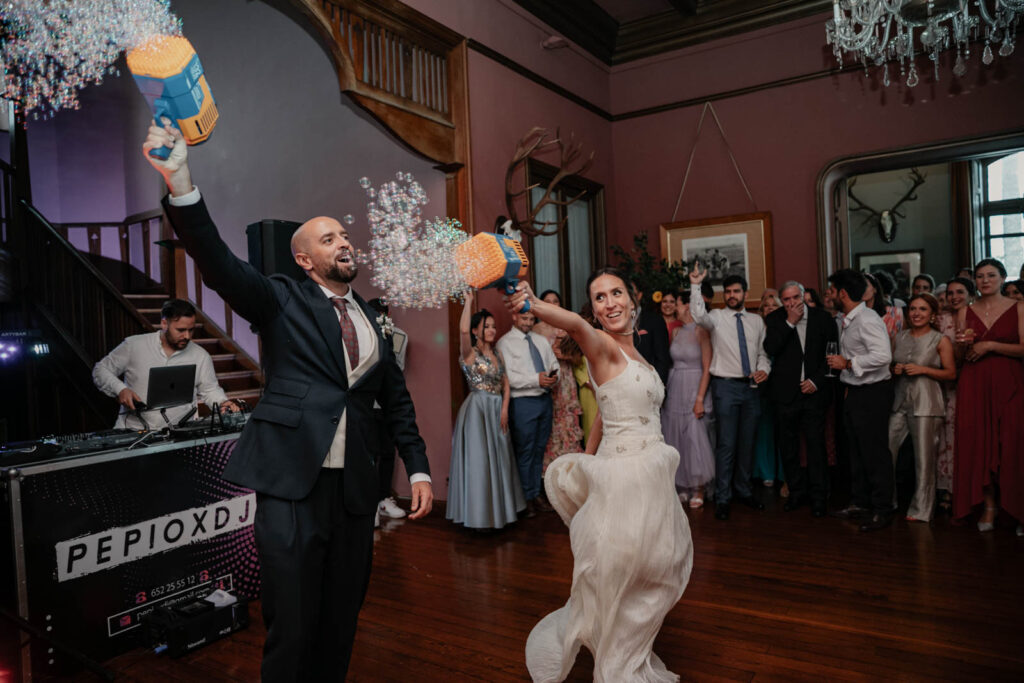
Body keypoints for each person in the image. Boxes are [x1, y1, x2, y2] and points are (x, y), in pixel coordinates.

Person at [143, 122, 433, 682]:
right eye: (327, 238)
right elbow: (219, 264)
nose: (343, 241)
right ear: (303, 260)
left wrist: (417, 467)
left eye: (344, 235)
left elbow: (395, 401)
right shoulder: (280, 299)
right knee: (292, 622)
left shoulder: (373, 318)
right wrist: (180, 182)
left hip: (353, 489)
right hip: (292, 483)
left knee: (341, 615)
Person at [508, 268, 692, 683]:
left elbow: (605, 416)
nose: (610, 303)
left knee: (654, 570)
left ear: (632, 298)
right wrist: (533, 304)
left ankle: (628, 651)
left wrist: (588, 463)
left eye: (616, 293)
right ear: (592, 309)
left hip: (650, 473)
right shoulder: (601, 346)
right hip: (626, 478)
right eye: (599, 298)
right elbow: (572, 324)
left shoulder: (637, 355)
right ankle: (618, 669)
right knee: (622, 574)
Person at [689, 266, 771, 521]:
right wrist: (694, 285)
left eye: (736, 291)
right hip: (724, 385)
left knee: (747, 443)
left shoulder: (757, 321)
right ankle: (723, 498)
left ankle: (744, 491)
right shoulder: (715, 317)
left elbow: (762, 354)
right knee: (726, 444)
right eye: (728, 292)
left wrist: (764, 369)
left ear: (745, 293)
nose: (732, 295)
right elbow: (698, 315)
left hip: (751, 387)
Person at [953, 259, 1024, 535]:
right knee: (980, 445)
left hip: (1011, 383)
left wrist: (991, 345)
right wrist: (962, 347)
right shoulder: (965, 311)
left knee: (1013, 445)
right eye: (980, 276)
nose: (985, 280)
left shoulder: (1019, 308)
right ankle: (990, 506)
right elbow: (960, 357)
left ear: (1003, 278)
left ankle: (1018, 509)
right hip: (975, 383)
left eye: (991, 275)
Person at [92, 298, 237, 429]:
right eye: (180, 330)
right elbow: (100, 370)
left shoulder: (201, 355)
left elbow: (210, 390)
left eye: (191, 330)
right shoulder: (134, 345)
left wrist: (223, 403)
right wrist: (120, 389)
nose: (187, 336)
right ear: (164, 324)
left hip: (179, 435)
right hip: (132, 432)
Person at [447, 291, 525, 529]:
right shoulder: (470, 354)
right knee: (479, 462)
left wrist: (504, 409)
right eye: (486, 326)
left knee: (500, 460)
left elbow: (506, 384)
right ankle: (478, 518)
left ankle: (502, 515)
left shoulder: (497, 353)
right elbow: (461, 331)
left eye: (493, 326)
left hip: (496, 409)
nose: (492, 330)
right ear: (475, 331)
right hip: (477, 411)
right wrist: (469, 302)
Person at [827, 269, 894, 532]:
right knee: (855, 451)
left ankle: (882, 509)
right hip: (855, 391)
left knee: (874, 452)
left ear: (842, 293)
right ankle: (860, 503)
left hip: (873, 393)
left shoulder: (867, 319)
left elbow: (883, 356)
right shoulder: (849, 318)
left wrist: (849, 363)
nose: (829, 294)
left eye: (832, 290)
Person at [763, 282, 838, 518]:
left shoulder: (823, 318)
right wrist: (790, 323)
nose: (792, 303)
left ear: (804, 296)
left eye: (796, 297)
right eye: (786, 300)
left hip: (814, 392)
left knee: (816, 446)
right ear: (782, 302)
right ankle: (796, 493)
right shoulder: (775, 319)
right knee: (789, 447)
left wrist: (816, 381)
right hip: (785, 394)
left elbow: (832, 353)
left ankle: (818, 497)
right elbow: (770, 347)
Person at [889, 293, 956, 522]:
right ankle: (888, 501)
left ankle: (922, 509)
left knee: (924, 460)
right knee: (887, 450)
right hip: (899, 402)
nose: (916, 313)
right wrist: (894, 369)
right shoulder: (900, 336)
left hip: (927, 403)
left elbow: (951, 373)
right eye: (913, 309)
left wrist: (924, 370)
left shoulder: (940, 340)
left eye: (923, 309)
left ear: (932, 315)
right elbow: (891, 365)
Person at [496, 308, 558, 517]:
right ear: (514, 316)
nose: (528, 322)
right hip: (522, 403)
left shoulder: (540, 340)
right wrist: (535, 379)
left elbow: (553, 363)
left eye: (531, 319)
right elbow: (507, 379)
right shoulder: (505, 343)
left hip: (544, 400)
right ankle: (524, 498)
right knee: (525, 451)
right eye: (524, 318)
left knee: (539, 449)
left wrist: (552, 377)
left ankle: (535, 494)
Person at [661, 288, 715, 508]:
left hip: (695, 386)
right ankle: (682, 485)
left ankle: (699, 487)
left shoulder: (702, 331)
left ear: (687, 306)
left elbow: (707, 367)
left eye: (679, 303)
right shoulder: (676, 332)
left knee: (696, 437)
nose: (675, 307)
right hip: (676, 387)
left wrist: (700, 398)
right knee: (676, 435)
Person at [367, 297, 409, 526]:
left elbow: (396, 371)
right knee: (368, 456)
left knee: (388, 453)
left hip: (387, 406)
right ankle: (369, 502)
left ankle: (383, 498)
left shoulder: (399, 337)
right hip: (364, 406)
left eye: (383, 313)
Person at [533, 291, 584, 473]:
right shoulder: (535, 329)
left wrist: (566, 356)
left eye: (556, 301)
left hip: (566, 379)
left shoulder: (566, 327)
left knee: (567, 421)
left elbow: (580, 356)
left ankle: (571, 472)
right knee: (550, 427)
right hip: (546, 380)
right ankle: (550, 478)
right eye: (548, 301)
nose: (552, 304)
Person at [935, 277, 975, 513]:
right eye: (950, 293)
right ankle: (948, 489)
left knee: (969, 434)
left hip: (972, 380)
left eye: (960, 292)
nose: (954, 297)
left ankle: (971, 490)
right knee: (946, 436)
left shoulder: (977, 315)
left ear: (971, 294)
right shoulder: (940, 320)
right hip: (945, 384)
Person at [753, 292, 782, 488]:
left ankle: (783, 474)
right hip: (761, 384)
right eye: (766, 305)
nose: (770, 308)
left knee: (781, 430)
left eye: (774, 305)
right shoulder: (756, 329)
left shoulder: (785, 328)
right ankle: (766, 472)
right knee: (764, 430)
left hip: (781, 384)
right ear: (761, 311)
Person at [632, 283, 672, 385]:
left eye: (631, 292)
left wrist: (658, 386)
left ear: (639, 295)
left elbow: (662, 359)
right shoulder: (616, 321)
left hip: (649, 385)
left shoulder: (654, 320)